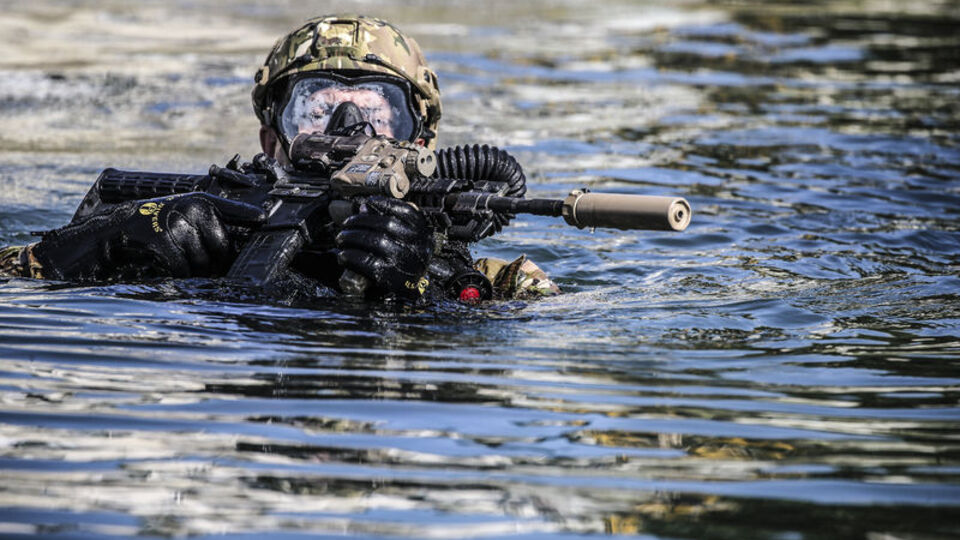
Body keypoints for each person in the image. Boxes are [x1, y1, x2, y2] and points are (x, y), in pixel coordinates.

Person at [0, 15, 559, 302]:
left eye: (378, 110)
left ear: (420, 143)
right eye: (317, 108)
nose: (348, 129)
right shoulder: (211, 225)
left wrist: (420, 293)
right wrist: (102, 244)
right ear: (272, 140)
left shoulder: (500, 281)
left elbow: (552, 340)